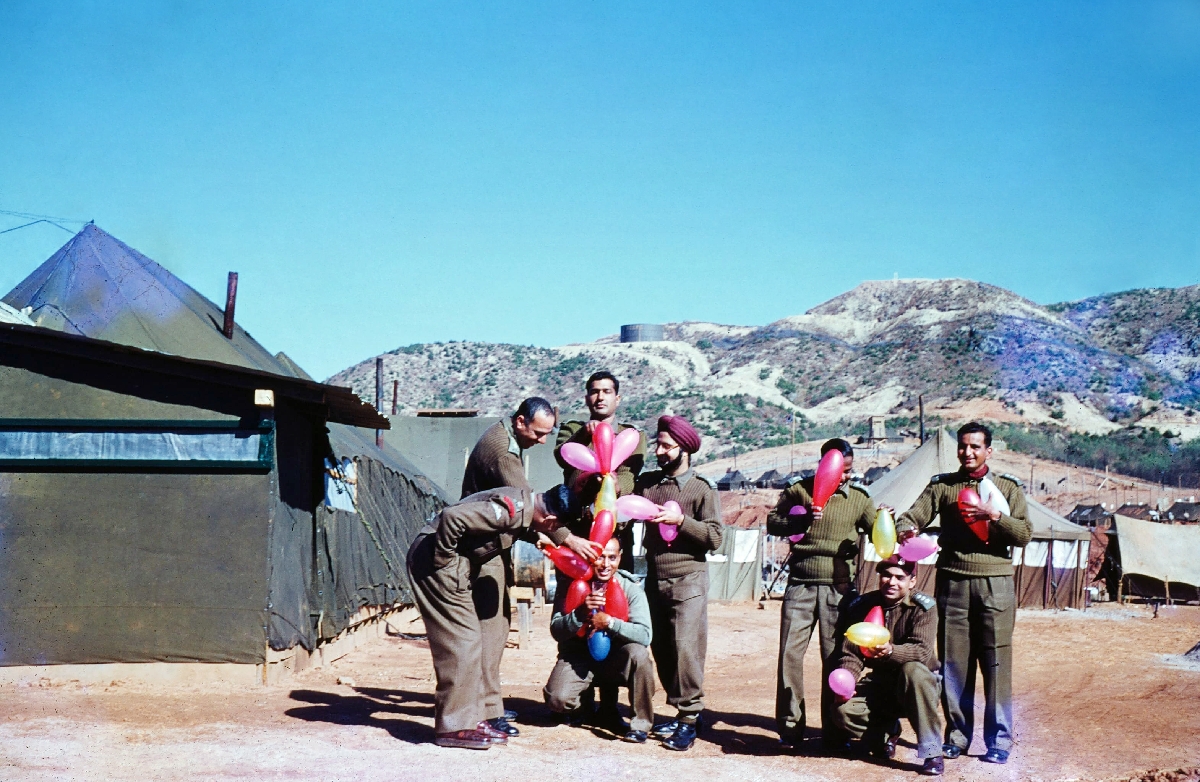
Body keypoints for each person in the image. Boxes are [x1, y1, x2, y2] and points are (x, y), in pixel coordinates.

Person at [896, 422, 1032, 765]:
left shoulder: (1006, 488)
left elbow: (1024, 533)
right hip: (953, 583)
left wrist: (995, 515)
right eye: (963, 446)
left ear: (989, 450)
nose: (968, 453)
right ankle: (957, 736)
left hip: (996, 585)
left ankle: (999, 740)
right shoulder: (943, 487)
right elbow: (912, 516)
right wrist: (905, 529)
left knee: (997, 663)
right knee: (955, 665)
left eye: (975, 447)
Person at [406, 485, 570, 749]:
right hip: (434, 564)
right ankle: (454, 727)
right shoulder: (512, 510)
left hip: (446, 564)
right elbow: (453, 517)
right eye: (553, 527)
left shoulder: (524, 503)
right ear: (550, 520)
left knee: (473, 641)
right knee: (461, 643)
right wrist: (444, 561)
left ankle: (471, 718)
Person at [766, 438, 875, 749]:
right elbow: (773, 522)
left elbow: (876, 527)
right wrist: (800, 519)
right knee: (790, 656)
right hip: (799, 586)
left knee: (834, 658)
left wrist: (885, 518)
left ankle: (835, 732)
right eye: (840, 470)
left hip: (839, 592)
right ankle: (789, 729)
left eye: (849, 471)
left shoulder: (858, 498)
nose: (844, 477)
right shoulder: (799, 490)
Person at [634, 415, 722, 751]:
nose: (659, 450)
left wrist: (682, 521)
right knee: (663, 649)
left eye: (666, 446)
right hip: (654, 577)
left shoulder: (701, 489)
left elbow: (715, 537)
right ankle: (683, 710)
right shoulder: (650, 484)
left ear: (684, 449)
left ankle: (688, 717)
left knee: (687, 648)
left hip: (689, 579)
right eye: (657, 443)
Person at [828, 555, 944, 776]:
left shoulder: (924, 607)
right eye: (886, 576)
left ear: (912, 581)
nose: (891, 582)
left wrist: (891, 651)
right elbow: (850, 652)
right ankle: (885, 734)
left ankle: (932, 752)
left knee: (913, 671)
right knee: (842, 711)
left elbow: (921, 652)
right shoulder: (864, 606)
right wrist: (848, 682)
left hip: (918, 684)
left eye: (900, 577)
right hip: (881, 683)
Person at [544, 536, 656, 743]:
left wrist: (611, 623)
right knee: (557, 700)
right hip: (579, 655)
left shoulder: (630, 587)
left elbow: (644, 634)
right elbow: (556, 630)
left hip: (616, 656)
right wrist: (580, 612)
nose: (605, 564)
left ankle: (641, 724)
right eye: (599, 557)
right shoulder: (571, 583)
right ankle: (583, 707)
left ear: (620, 558)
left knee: (639, 655)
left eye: (612, 558)